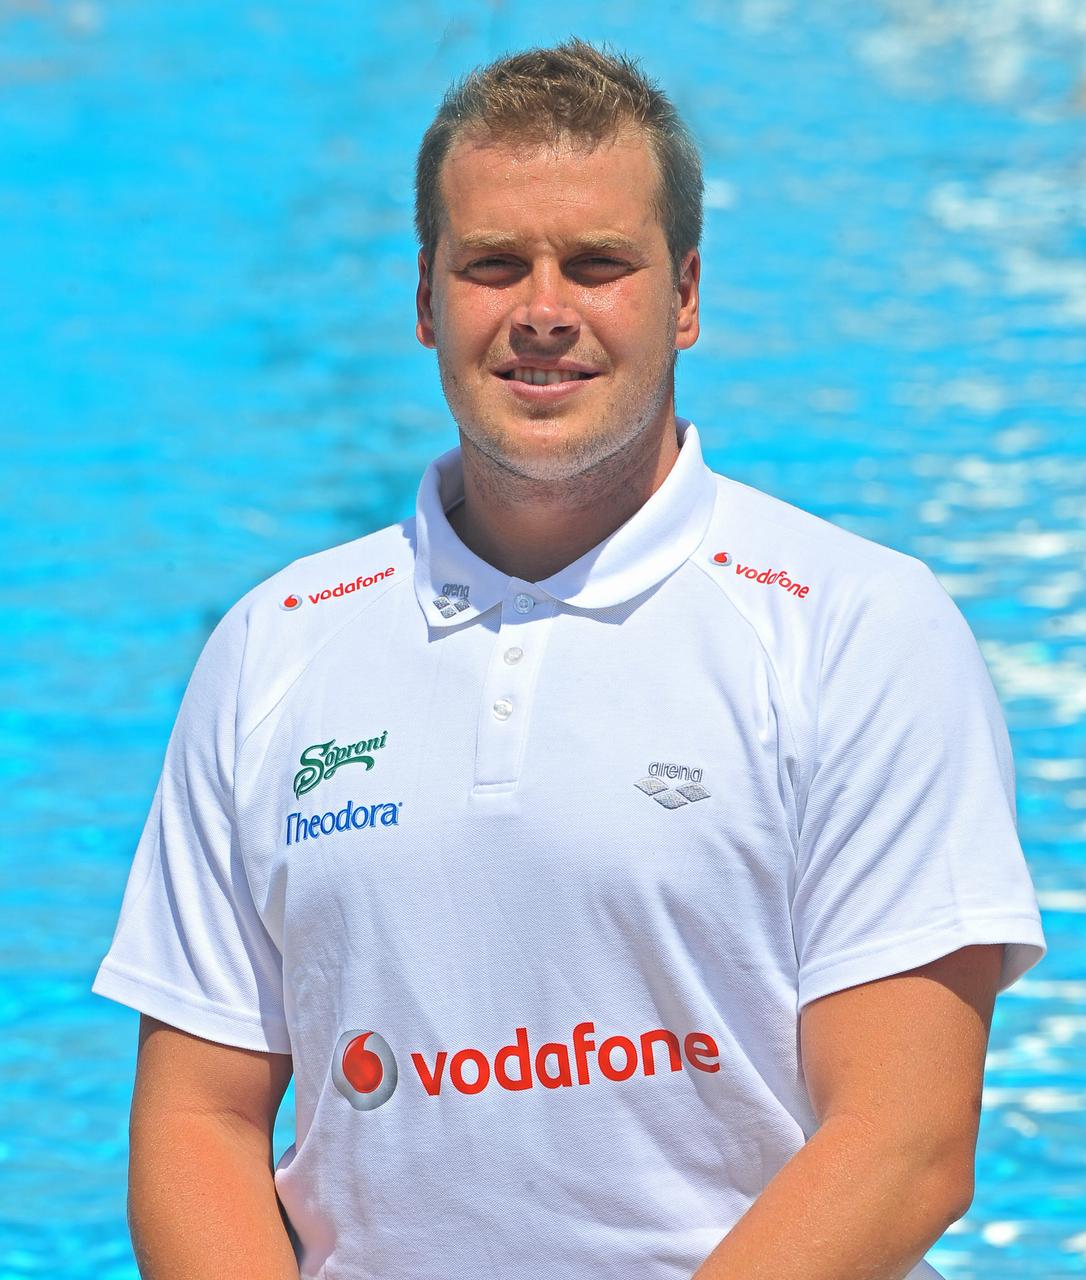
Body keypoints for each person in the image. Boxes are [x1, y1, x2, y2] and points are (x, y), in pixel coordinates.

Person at [92, 38, 1048, 1280]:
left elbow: (904, 1143)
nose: (544, 311)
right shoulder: (277, 642)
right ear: (426, 300)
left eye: (598, 265)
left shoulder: (855, 626)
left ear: (685, 296)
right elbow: (198, 1118)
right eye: (494, 265)